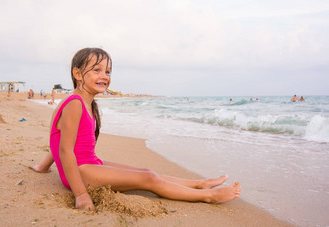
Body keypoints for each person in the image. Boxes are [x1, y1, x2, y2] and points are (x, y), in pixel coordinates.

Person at [31, 47, 241, 211]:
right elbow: (65, 149)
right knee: (148, 179)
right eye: (96, 70)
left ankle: (198, 184)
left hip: (89, 165)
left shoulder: (85, 103)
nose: (104, 75)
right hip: (80, 173)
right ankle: (208, 196)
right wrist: (80, 194)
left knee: (146, 172)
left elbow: (56, 140)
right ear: (77, 73)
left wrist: (42, 167)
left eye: (107, 71)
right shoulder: (75, 104)